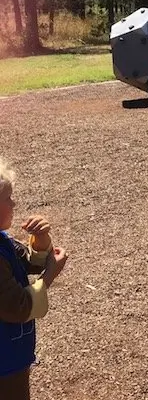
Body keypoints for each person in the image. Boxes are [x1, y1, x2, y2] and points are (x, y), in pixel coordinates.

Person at [0, 158, 69, 399]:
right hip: (4, 362)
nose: (14, 202)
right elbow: (17, 306)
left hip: (11, 354)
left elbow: (27, 260)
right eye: (7, 198)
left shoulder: (3, 240)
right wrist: (50, 275)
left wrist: (40, 239)